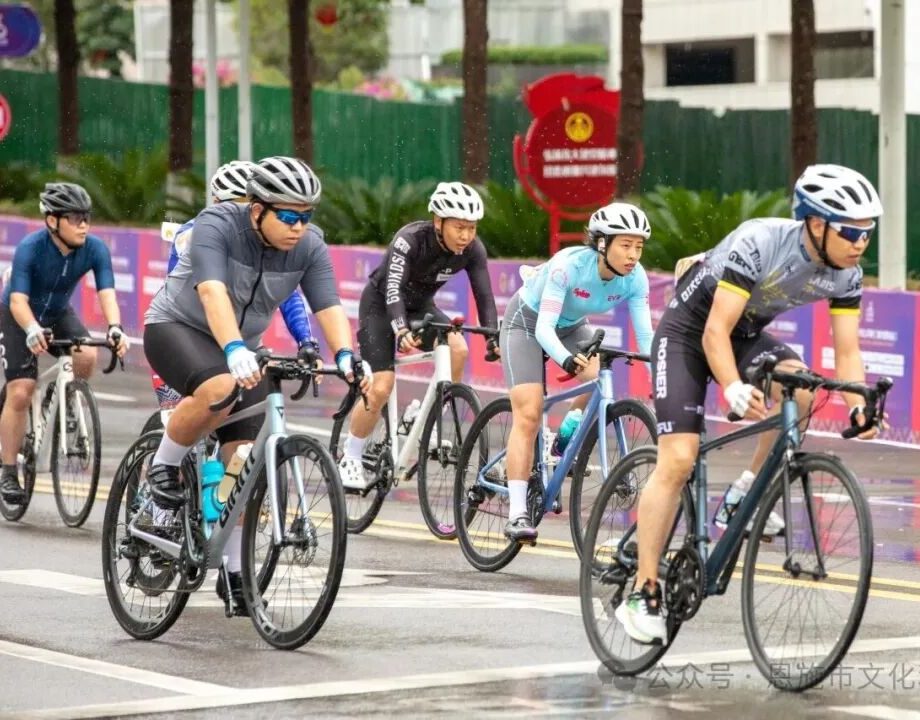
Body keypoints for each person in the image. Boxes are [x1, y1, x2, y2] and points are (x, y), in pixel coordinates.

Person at [616, 164, 886, 645]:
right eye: (851, 232)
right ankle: (644, 590)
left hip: (743, 335)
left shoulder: (847, 274)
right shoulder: (761, 241)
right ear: (816, 224)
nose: (860, 242)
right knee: (678, 459)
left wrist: (857, 403)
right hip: (689, 332)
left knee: (801, 387)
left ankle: (743, 492)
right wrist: (732, 387)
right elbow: (712, 332)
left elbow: (847, 351)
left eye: (868, 232)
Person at [142, 156, 370, 615]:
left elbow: (327, 305)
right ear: (257, 209)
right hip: (178, 328)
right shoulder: (216, 226)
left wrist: (345, 355)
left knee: (243, 461)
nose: (298, 227)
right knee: (218, 390)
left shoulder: (309, 245)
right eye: (288, 216)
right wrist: (232, 348)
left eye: (306, 216)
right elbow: (212, 293)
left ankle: (234, 573)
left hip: (242, 345)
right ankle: (163, 465)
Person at [498, 202, 654, 544]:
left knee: (598, 377)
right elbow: (543, 329)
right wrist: (566, 360)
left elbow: (645, 339)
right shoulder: (568, 267)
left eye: (639, 247)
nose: (633, 255)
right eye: (626, 245)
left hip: (571, 325)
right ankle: (517, 513)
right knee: (529, 413)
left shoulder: (636, 278)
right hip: (527, 323)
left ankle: (564, 437)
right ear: (602, 243)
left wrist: (659, 377)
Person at [336, 181, 500, 490]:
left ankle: (424, 419)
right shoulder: (409, 240)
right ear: (438, 221)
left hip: (421, 308)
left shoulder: (472, 249)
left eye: (471, 228)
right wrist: (400, 329)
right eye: (459, 227)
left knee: (458, 349)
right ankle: (351, 457)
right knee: (381, 386)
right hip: (381, 307)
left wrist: (492, 338)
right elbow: (393, 289)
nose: (466, 236)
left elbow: (485, 296)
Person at [0, 183, 129, 503]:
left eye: (87, 217)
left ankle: (64, 396)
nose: (84, 225)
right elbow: (17, 301)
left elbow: (107, 293)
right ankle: (9, 470)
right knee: (21, 390)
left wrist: (115, 327)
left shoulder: (95, 249)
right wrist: (31, 329)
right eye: (75, 218)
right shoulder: (30, 248)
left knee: (86, 356)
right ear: (53, 221)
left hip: (57, 313)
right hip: (20, 314)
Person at [150, 161, 318, 414]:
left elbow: (288, 295)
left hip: (238, 337)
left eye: (248, 204)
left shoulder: (271, 238)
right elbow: (193, 294)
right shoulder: (194, 233)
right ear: (217, 203)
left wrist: (306, 341)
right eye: (236, 204)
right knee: (187, 408)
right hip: (190, 332)